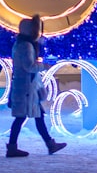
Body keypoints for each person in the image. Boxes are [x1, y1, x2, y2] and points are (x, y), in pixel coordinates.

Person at [5, 15, 67, 157]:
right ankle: (16, 147)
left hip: (26, 87)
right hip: (27, 88)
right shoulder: (26, 46)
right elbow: (29, 66)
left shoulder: (21, 44)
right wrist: (44, 65)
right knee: (23, 117)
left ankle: (48, 144)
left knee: (34, 116)